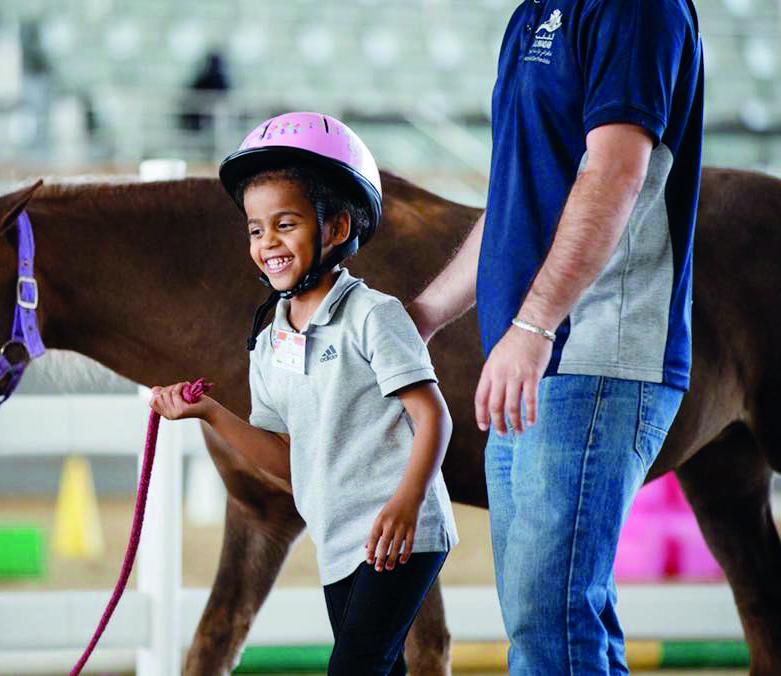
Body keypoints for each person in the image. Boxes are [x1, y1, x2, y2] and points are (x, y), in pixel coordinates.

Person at [409, 1, 704, 674]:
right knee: (555, 623)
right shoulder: (533, 13)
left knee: (553, 624)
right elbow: (519, 198)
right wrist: (425, 312)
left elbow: (614, 173)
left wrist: (535, 324)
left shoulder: (635, 8)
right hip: (538, 359)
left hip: (595, 351)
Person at [150, 112, 458, 674]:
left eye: (285, 224)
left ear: (337, 229)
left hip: (401, 533)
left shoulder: (373, 315)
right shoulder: (268, 344)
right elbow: (290, 463)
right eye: (255, 229)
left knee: (355, 668)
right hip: (340, 543)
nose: (268, 243)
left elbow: (433, 416)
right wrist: (211, 414)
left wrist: (409, 500)